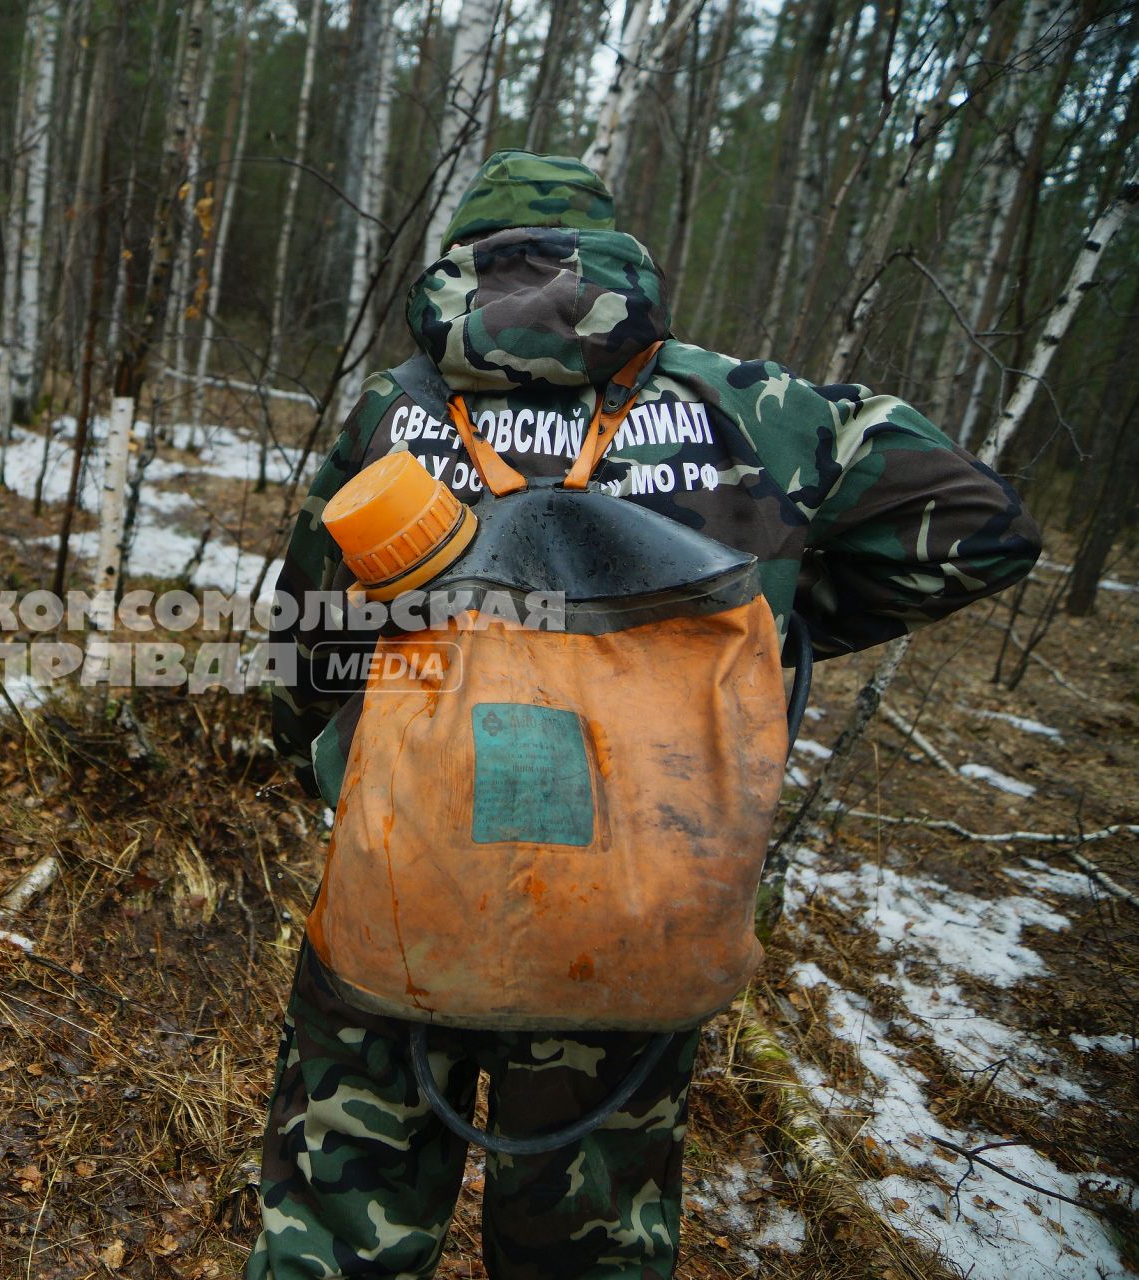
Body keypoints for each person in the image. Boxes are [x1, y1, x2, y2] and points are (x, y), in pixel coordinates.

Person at [251, 151, 1042, 1279]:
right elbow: (979, 524)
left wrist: (330, 757)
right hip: (630, 911)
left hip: (403, 889)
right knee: (587, 1248)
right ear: (610, 258)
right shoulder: (749, 411)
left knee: (332, 1233)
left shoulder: (397, 407)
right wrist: (762, 637)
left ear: (462, 262)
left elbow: (310, 642)